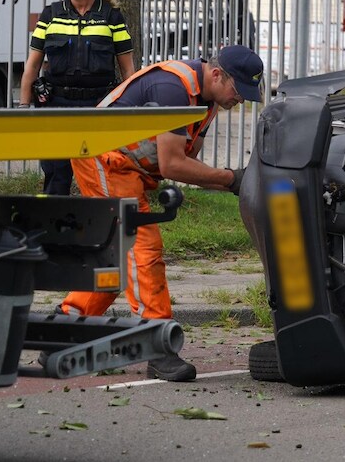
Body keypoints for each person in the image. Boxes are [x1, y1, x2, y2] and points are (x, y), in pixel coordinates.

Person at [54, 45, 264, 381]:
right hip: (103, 160)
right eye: (237, 91)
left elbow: (186, 159)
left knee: (118, 257)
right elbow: (173, 164)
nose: (239, 101)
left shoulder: (206, 102)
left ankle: (67, 324)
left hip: (125, 168)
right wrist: (230, 178)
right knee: (142, 250)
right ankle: (158, 344)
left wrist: (235, 183)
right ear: (216, 74)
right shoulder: (173, 89)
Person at [20, 0, 136, 195]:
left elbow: (127, 68)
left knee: (101, 170)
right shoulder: (50, 15)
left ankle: (100, 225)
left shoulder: (111, 17)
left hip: (98, 106)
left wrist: (130, 106)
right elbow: (32, 65)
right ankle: (52, 226)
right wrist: (23, 106)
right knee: (56, 172)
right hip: (57, 105)